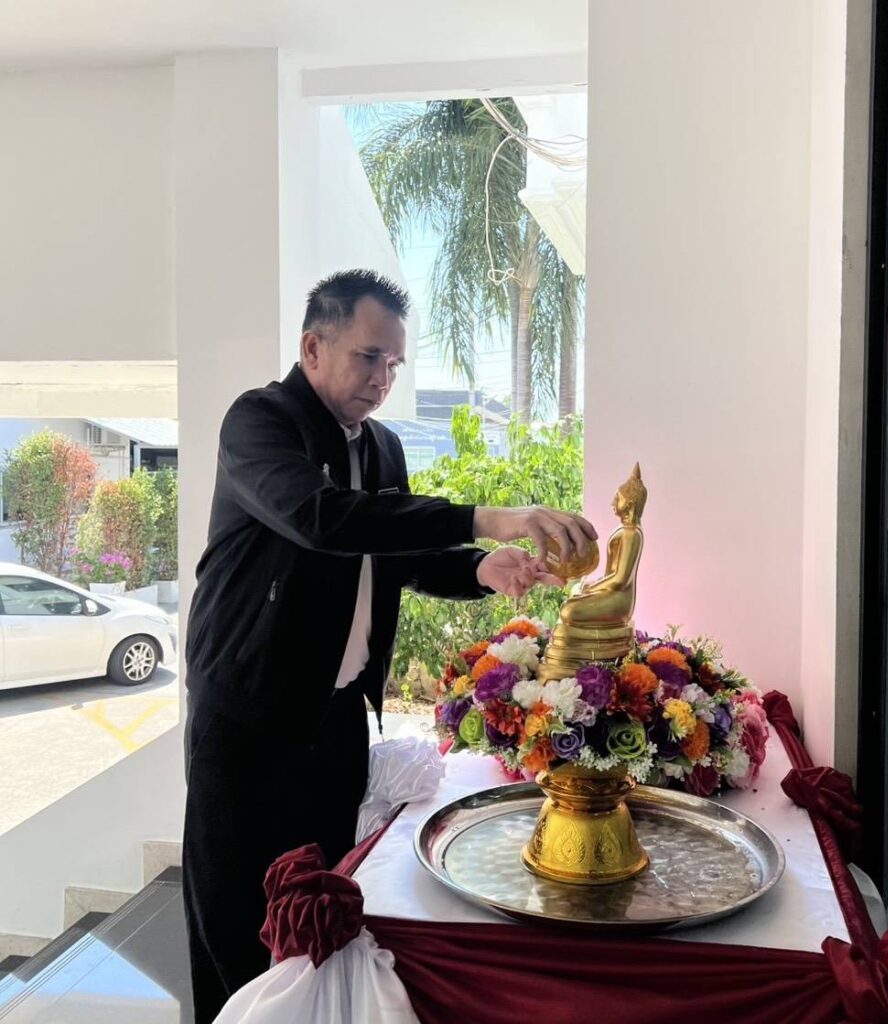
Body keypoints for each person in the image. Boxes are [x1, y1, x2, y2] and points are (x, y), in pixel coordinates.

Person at [181, 269, 596, 1023]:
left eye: (395, 363)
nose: (383, 379)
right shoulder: (260, 422)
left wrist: (480, 568)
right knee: (235, 915)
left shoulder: (382, 446)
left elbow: (393, 553)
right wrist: (489, 517)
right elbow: (323, 520)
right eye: (369, 357)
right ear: (313, 347)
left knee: (322, 906)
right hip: (246, 716)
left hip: (338, 717)